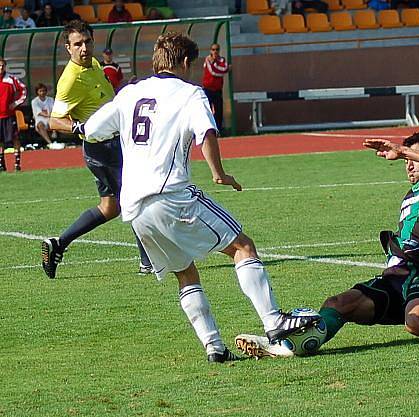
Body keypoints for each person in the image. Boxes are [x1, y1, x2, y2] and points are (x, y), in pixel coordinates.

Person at [83, 31, 320, 363]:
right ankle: (275, 323)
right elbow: (205, 131)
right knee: (242, 246)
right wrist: (218, 173)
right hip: (171, 193)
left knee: (184, 272)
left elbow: (93, 130)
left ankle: (214, 346)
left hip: (135, 207)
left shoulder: (130, 93)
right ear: (183, 63)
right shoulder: (190, 93)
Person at [235, 131, 419, 358]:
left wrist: (407, 150)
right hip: (395, 275)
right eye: (406, 160)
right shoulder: (411, 194)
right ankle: (288, 346)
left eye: (413, 158)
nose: (407, 164)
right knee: (338, 304)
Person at [41, 20, 152, 279]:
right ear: (67, 48)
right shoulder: (70, 79)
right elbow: (55, 121)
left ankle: (59, 243)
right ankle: (148, 262)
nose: (83, 48)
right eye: (77, 44)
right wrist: (86, 128)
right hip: (102, 148)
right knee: (133, 197)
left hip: (114, 144)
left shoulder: (94, 64)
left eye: (87, 42)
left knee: (110, 207)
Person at [0, 57, 27, 173]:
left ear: (5, 66)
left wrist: (15, 103)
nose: (1, 68)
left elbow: (23, 90)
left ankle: (17, 163)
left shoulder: (11, 79)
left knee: (15, 138)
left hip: (9, 115)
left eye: (2, 66)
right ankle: (1, 164)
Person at [202, 43, 230, 133]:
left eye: (217, 49)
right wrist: (219, 68)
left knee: (218, 111)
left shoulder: (222, 60)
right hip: (208, 89)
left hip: (217, 89)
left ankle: (219, 130)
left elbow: (224, 69)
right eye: (213, 49)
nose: (215, 51)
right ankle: (207, 131)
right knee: (208, 111)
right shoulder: (207, 59)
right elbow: (213, 72)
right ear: (210, 51)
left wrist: (219, 68)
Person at [31, 83, 59, 149]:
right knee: (40, 125)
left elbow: (53, 109)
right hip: (40, 119)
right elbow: (39, 112)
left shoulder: (51, 99)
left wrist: (51, 116)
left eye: (44, 91)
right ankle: (50, 143)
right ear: (37, 92)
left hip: (51, 118)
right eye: (40, 91)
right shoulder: (34, 101)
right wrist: (47, 115)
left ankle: (55, 136)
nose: (42, 92)